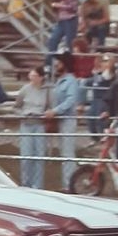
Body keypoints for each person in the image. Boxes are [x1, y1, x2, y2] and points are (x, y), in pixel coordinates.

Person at [45, 52, 80, 191]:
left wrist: (55, 110)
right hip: (60, 119)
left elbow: (71, 100)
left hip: (67, 120)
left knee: (68, 153)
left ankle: (69, 184)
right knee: (64, 152)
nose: (56, 65)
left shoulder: (71, 81)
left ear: (65, 64)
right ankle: (69, 181)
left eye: (59, 62)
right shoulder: (59, 81)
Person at [14, 66, 50, 188]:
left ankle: (38, 185)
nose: (32, 78)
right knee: (26, 156)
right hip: (26, 124)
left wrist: (46, 113)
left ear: (41, 77)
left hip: (40, 124)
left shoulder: (47, 91)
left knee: (39, 156)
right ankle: (26, 183)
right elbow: (16, 107)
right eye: (31, 76)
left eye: (34, 76)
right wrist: (23, 114)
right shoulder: (25, 89)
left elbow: (50, 107)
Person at [81, 54, 116, 143]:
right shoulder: (97, 75)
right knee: (90, 119)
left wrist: (110, 65)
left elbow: (107, 76)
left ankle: (103, 138)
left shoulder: (110, 75)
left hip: (104, 101)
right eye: (103, 62)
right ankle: (95, 138)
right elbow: (87, 82)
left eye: (106, 62)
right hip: (95, 101)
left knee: (101, 120)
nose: (104, 64)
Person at [45, 0, 79, 65]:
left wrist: (59, 5)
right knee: (53, 40)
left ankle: (70, 65)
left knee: (70, 43)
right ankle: (48, 64)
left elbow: (73, 8)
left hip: (70, 20)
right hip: (61, 21)